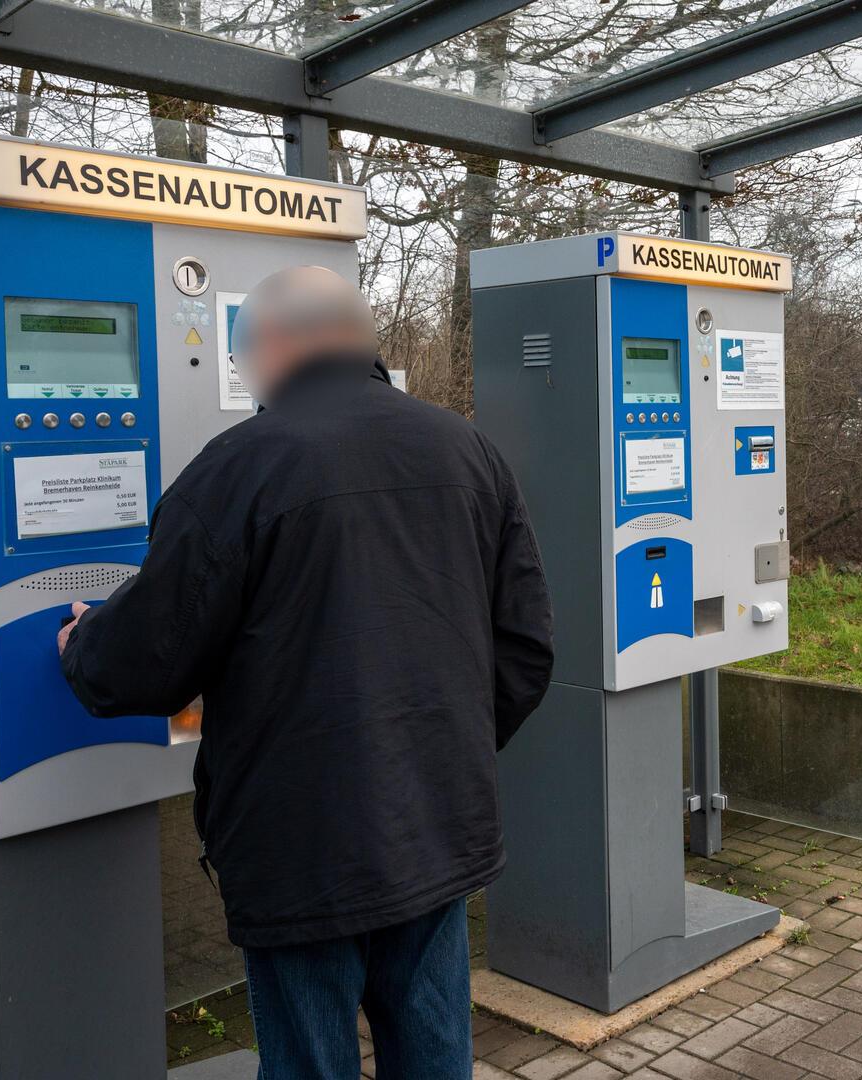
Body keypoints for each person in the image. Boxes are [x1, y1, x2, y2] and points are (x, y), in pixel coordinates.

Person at [57, 266, 553, 1079]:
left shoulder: (238, 467)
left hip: (299, 846)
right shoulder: (467, 449)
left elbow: (145, 660)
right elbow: (526, 645)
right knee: (432, 1054)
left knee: (308, 1064)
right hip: (435, 825)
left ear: (269, 347)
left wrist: (84, 645)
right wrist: (441, 748)